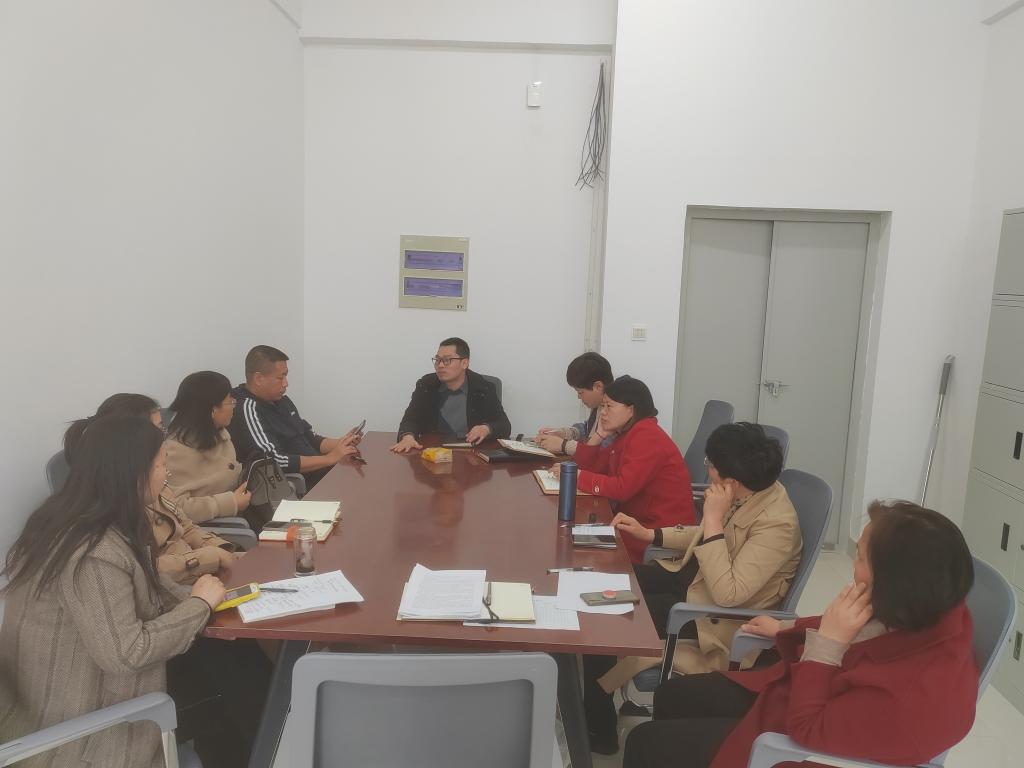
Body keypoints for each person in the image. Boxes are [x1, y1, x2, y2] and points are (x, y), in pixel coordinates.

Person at [621, 500, 978, 768]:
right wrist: (789, 627)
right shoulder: (929, 603)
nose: (853, 566)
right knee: (672, 695)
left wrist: (826, 647)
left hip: (794, 741)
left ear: (893, 584)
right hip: (799, 692)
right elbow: (848, 624)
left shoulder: (909, 699)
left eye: (860, 558)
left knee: (646, 744)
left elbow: (807, 729)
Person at [0, 415, 229, 767]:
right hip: (76, 738)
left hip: (82, 701)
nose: (166, 475)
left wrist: (208, 598)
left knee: (229, 674)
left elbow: (149, 591)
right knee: (230, 689)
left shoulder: (80, 521)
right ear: (133, 473)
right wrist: (199, 605)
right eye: (161, 465)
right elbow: (126, 653)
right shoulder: (92, 551)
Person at [582, 422, 801, 754]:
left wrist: (712, 518)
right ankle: (586, 705)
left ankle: (598, 728)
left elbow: (730, 593)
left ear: (732, 481)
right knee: (606, 577)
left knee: (602, 616)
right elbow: (703, 538)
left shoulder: (777, 525)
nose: (706, 468)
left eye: (710, 464)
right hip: (691, 582)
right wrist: (651, 534)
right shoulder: (749, 491)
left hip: (705, 616)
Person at [64, 393, 240, 586]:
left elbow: (186, 526)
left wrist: (222, 551)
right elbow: (145, 570)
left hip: (199, 574)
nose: (163, 437)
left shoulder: (149, 482)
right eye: (156, 429)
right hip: (179, 586)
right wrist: (209, 558)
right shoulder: (120, 506)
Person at [552, 375, 695, 564]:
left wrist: (578, 477)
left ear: (631, 410)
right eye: (602, 406)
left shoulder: (647, 437)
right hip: (632, 522)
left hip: (656, 533)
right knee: (570, 541)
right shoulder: (627, 433)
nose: (603, 413)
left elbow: (622, 489)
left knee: (580, 553)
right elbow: (593, 468)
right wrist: (599, 435)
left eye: (609, 406)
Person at [229, 344, 361, 488]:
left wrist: (342, 443)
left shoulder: (282, 401)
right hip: (299, 485)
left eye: (286, 376)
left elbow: (311, 438)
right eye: (281, 377)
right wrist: (330, 458)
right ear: (259, 378)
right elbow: (273, 461)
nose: (286, 383)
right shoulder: (247, 409)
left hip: (321, 473)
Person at [165, 371, 257, 526]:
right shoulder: (176, 450)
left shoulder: (220, 435)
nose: (234, 406)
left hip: (243, 516)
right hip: (213, 530)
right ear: (212, 410)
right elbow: (176, 507)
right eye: (230, 401)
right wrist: (230, 503)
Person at [390, 337, 511, 453]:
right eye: (437, 360)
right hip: (432, 452)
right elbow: (410, 419)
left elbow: (504, 425)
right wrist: (408, 437)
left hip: (472, 455)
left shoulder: (483, 387)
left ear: (464, 363)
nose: (440, 365)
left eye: (447, 360)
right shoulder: (426, 385)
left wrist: (486, 429)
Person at [534, 351, 614, 456]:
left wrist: (564, 445)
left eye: (580, 392)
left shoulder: (616, 412)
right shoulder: (599, 404)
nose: (579, 397)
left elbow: (602, 453)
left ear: (598, 386)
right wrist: (563, 433)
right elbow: (588, 429)